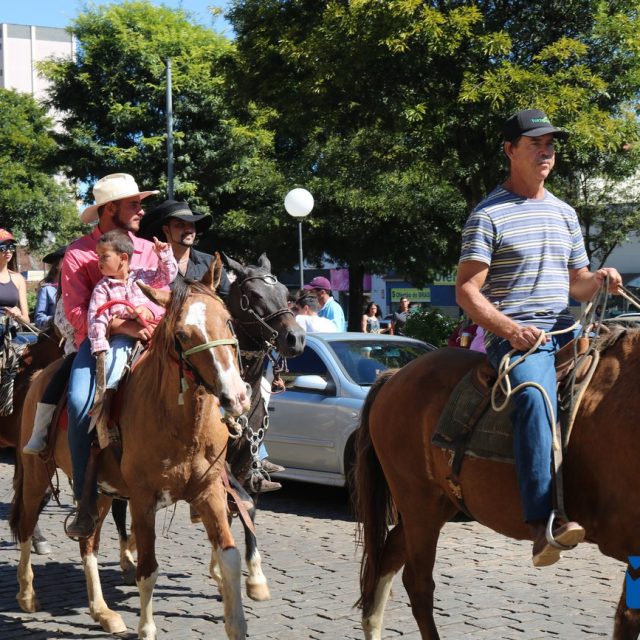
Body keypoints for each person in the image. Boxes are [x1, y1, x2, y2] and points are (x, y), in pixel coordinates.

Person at [455, 108, 622, 567]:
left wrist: (600, 279)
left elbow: (578, 284)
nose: (546, 152)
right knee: (533, 395)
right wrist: (510, 330)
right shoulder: (487, 215)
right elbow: (467, 290)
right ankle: (542, 521)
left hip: (566, 329)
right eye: (535, 144)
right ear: (510, 150)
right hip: (514, 336)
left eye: (550, 145)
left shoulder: (564, 213)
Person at [61, 172, 162, 538]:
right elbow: (76, 313)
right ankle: (84, 497)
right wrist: (121, 326)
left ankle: (228, 471)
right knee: (78, 402)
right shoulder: (77, 254)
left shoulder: (149, 248)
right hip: (98, 343)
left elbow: (164, 294)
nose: (141, 210)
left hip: (151, 337)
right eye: (134, 204)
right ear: (109, 210)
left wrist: (147, 315)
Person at [87, 229, 176, 376]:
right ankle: (108, 390)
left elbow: (167, 277)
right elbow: (96, 318)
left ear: (123, 258)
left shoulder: (144, 275)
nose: (99, 261)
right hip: (124, 337)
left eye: (104, 256)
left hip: (157, 329)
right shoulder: (102, 288)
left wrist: (164, 255)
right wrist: (99, 344)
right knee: (114, 365)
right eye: (98, 256)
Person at [138, 199, 231, 296]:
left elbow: (229, 298)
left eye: (191, 224)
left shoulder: (210, 263)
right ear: (166, 230)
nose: (189, 230)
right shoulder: (153, 266)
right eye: (180, 225)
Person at [33, 245, 66, 329]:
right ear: (57, 265)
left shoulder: (76, 288)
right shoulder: (47, 289)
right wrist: (56, 319)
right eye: (65, 260)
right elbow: (39, 319)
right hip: (54, 334)